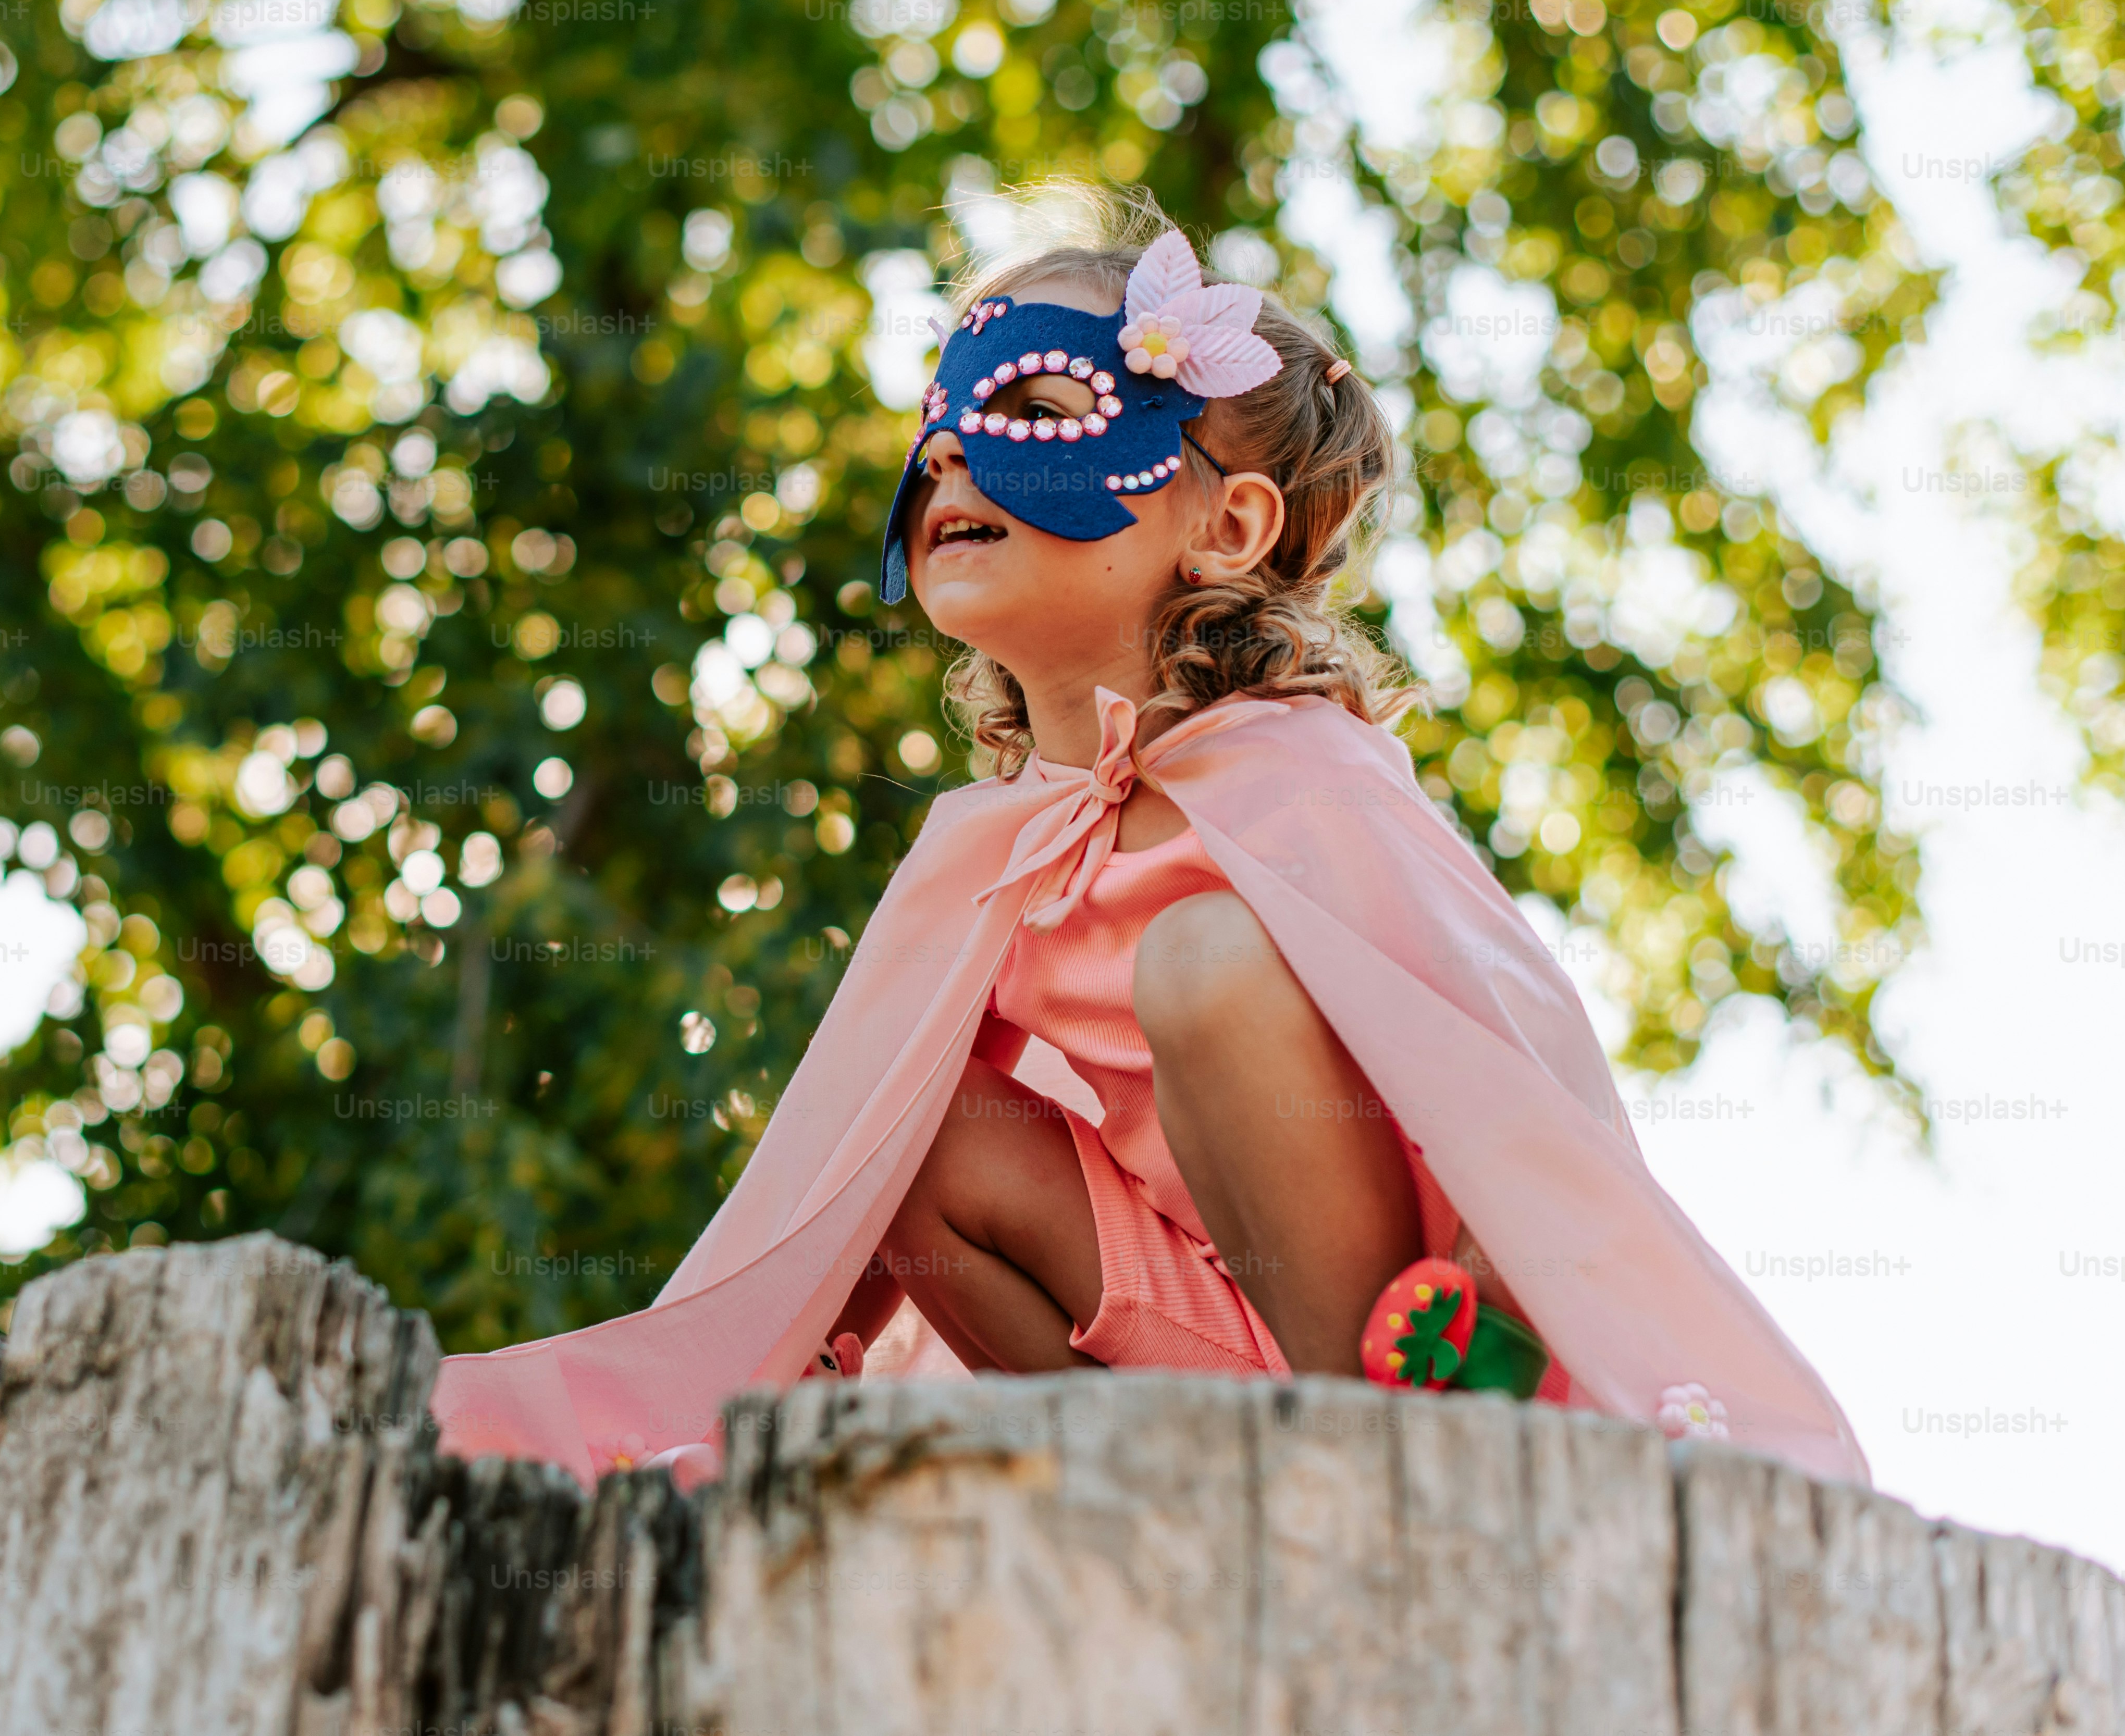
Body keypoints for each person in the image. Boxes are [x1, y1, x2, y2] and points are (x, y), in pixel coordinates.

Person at [433, 184, 1864, 1489]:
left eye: (1036, 408)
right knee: (917, 1135)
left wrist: (1494, 1293)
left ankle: (1390, 1473)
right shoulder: (992, 851)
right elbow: (841, 1180)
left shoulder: (1298, 770)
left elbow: (1511, 1061)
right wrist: (779, 1365)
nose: (949, 470)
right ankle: (1147, 1513)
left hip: (1408, 1359)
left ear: (1230, 526)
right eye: (935, 441)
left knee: (1208, 960)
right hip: (1196, 1369)